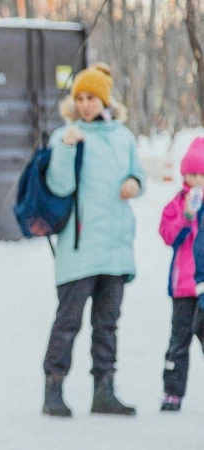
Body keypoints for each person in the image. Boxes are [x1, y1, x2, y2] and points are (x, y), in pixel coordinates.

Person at [41, 63, 144, 417]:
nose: (85, 104)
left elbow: (138, 173)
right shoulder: (65, 136)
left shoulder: (123, 136)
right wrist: (67, 149)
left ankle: (105, 391)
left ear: (104, 99)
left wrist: (135, 181)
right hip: (79, 249)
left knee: (108, 324)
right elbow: (59, 187)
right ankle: (53, 390)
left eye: (92, 97)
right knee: (68, 322)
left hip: (115, 249)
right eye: (80, 97)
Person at [160, 137, 204, 412]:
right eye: (191, 173)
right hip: (183, 287)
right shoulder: (178, 204)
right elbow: (168, 235)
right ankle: (172, 392)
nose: (196, 179)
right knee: (178, 341)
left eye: (201, 174)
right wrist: (187, 217)